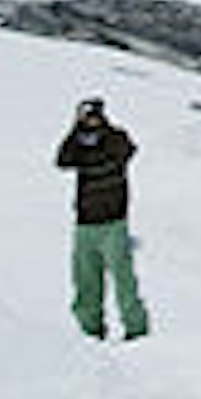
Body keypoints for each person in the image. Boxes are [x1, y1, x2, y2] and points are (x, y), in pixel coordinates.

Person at [55, 97, 150, 341]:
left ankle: (136, 331)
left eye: (95, 115)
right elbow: (62, 161)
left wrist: (103, 132)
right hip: (85, 223)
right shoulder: (78, 143)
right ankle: (90, 332)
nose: (92, 120)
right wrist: (75, 131)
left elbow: (127, 150)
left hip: (113, 223)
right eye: (87, 116)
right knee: (85, 283)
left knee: (124, 281)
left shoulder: (116, 138)